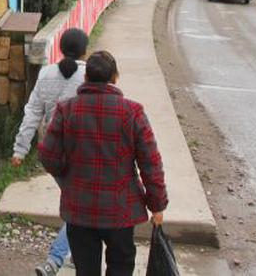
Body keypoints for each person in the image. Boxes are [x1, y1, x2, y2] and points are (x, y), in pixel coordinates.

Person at [38, 51, 167, 276]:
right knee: (121, 264)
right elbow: (151, 163)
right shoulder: (132, 112)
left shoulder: (67, 109)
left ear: (86, 78)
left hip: (79, 208)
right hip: (121, 210)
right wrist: (157, 204)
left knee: (85, 269)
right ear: (115, 77)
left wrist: (66, 174)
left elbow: (48, 155)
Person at [12, 27, 89, 276]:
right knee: (79, 206)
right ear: (85, 51)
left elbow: (33, 112)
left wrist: (20, 149)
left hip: (52, 154)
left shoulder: (46, 74)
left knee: (76, 203)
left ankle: (75, 255)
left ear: (60, 48)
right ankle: (55, 260)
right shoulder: (90, 74)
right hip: (82, 154)